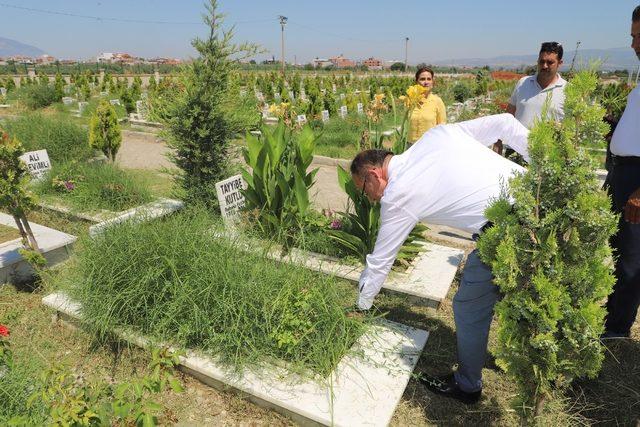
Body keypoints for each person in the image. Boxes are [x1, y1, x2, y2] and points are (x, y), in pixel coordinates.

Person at [351, 113, 529, 404]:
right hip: (533, 198)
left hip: (509, 229)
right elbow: (506, 124)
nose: (369, 199)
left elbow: (381, 260)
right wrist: (547, 168)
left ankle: (468, 386)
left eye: (364, 191)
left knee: (468, 306)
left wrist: (361, 306)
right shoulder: (437, 135)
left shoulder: (397, 194)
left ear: (373, 175)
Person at [602, 6, 640, 339]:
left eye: (639, 37)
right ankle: (611, 312)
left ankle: (617, 328)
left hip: (636, 182)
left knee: (632, 257)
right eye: (632, 37)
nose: (634, 44)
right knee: (617, 249)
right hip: (621, 173)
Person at [494, 42, 567, 154]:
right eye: (541, 61)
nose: (544, 66)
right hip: (515, 150)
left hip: (548, 156)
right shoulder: (523, 83)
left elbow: (573, 128)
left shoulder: (567, 90)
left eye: (550, 62)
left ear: (560, 63)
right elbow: (509, 115)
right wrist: (498, 141)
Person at [408, 67, 447, 144]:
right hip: (410, 145)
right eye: (422, 79)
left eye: (429, 79)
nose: (426, 82)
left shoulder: (437, 101)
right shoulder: (410, 100)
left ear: (432, 82)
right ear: (416, 82)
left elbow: (442, 127)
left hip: (429, 145)